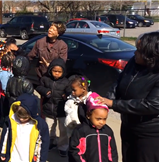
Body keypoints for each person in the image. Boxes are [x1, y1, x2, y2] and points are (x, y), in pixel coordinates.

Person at [99, 31, 159, 162]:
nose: (134, 53)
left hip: (149, 133)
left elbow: (152, 105)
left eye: (139, 50)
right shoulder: (134, 62)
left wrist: (113, 104)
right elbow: (119, 80)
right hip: (128, 125)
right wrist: (109, 98)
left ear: (150, 55)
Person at [0, 93, 49, 162]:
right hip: (14, 158)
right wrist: (3, 152)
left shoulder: (40, 125)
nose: (21, 119)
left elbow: (43, 145)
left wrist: (41, 160)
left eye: (25, 117)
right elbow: (5, 136)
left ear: (31, 114)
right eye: (19, 116)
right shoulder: (11, 120)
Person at [68, 92, 118, 162]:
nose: (102, 122)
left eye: (104, 119)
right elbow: (75, 151)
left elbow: (112, 152)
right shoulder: (81, 131)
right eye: (98, 119)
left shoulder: (108, 132)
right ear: (88, 115)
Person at [36, 58, 71, 156]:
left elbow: (70, 92)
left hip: (61, 111)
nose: (56, 73)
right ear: (50, 69)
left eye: (59, 72)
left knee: (63, 130)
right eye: (54, 71)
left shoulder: (66, 82)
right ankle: (51, 142)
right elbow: (38, 87)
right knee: (49, 128)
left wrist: (66, 96)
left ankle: (63, 147)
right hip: (48, 109)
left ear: (63, 71)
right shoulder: (45, 79)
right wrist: (44, 91)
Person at [27, 21, 68, 86]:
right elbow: (30, 56)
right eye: (50, 28)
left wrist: (50, 65)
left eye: (54, 29)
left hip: (54, 78)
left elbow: (62, 62)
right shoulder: (40, 42)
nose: (50, 30)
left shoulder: (62, 45)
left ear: (58, 33)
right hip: (41, 75)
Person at [0, 54, 13, 119]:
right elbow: (4, 86)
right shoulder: (4, 73)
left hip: (7, 93)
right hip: (6, 95)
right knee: (6, 111)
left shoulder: (7, 71)